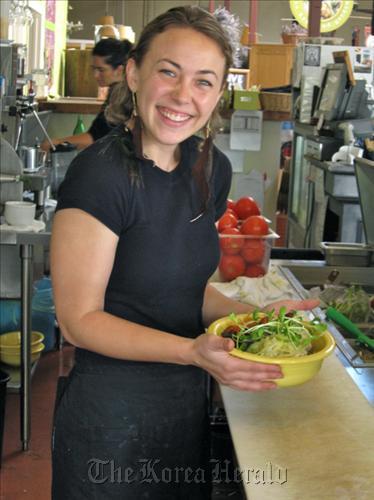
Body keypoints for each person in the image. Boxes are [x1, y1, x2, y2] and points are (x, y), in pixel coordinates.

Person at [50, 6, 319, 499]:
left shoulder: (209, 168)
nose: (182, 97)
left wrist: (257, 321)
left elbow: (187, 293)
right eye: (168, 72)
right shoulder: (101, 174)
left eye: (203, 81)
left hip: (183, 408)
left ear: (219, 93)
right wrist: (191, 352)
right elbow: (78, 320)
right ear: (134, 73)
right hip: (110, 418)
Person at [41, 38, 132, 151]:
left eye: (101, 70)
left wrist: (56, 143)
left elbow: (95, 138)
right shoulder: (116, 91)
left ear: (119, 70)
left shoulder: (123, 97)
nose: (95, 75)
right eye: (94, 69)